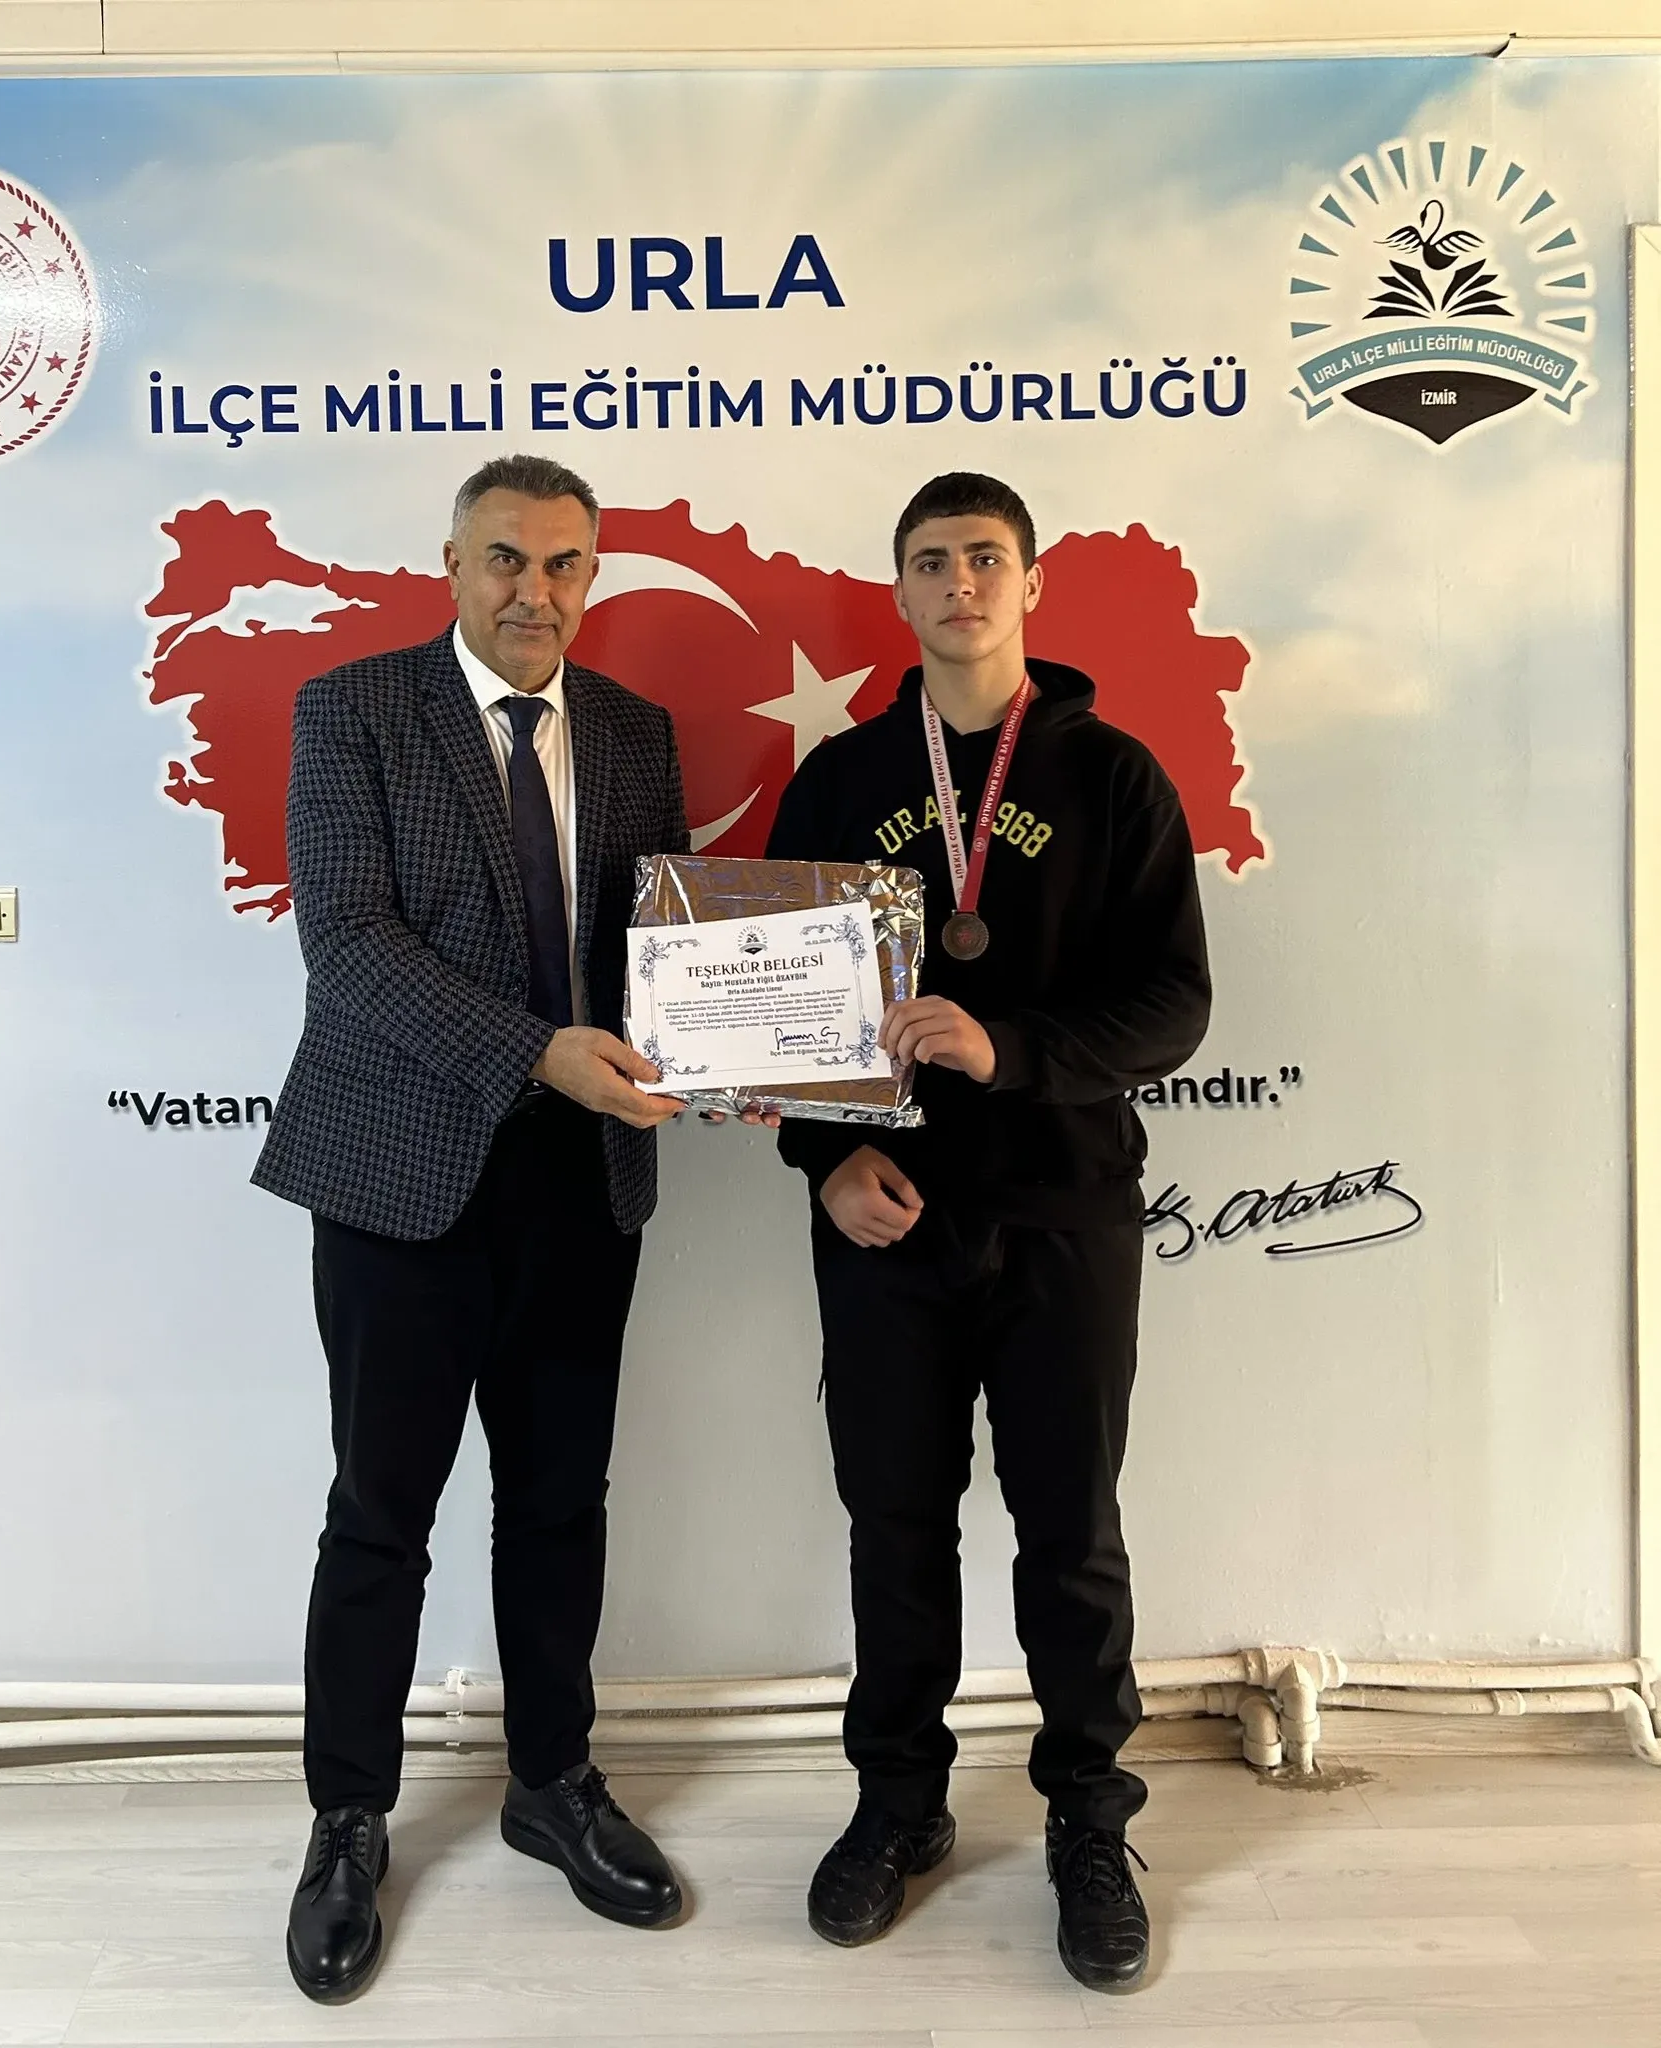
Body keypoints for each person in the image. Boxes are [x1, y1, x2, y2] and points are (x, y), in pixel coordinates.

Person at [763, 471, 1210, 1993]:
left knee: (1069, 1532)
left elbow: (1174, 1005)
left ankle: (1089, 1815)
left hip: (1065, 1212)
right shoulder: (839, 779)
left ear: (1031, 586)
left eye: (985, 558)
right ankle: (900, 1804)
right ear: (898, 591)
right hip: (886, 1224)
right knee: (895, 1524)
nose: (959, 583)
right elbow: (779, 1009)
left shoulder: (1115, 776)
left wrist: (1007, 1050)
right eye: (931, 561)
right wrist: (824, 1157)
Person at [254, 455, 691, 2005]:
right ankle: (348, 1819)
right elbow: (348, 944)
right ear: (450, 564)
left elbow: (659, 943)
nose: (535, 591)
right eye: (506, 558)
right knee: (381, 1511)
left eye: (565, 565)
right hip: (397, 1181)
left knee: (560, 1504)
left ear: (593, 576)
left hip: (583, 1186)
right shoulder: (353, 711)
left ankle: (551, 1782)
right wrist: (537, 1053)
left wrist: (736, 1047)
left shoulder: (634, 731)